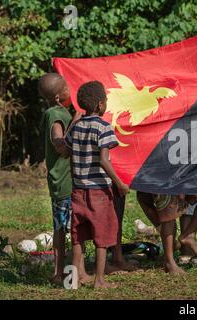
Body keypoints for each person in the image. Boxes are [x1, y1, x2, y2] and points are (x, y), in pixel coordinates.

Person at [65, 81, 129, 288]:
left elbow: (66, 151)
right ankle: (99, 280)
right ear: (101, 104)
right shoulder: (103, 127)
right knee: (102, 235)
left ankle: (71, 280)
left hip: (78, 189)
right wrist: (119, 183)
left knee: (78, 235)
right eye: (107, 101)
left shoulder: (76, 127)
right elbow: (104, 159)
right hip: (99, 191)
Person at [39, 73, 80, 285]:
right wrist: (75, 122)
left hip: (59, 182)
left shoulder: (57, 111)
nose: (70, 90)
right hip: (65, 183)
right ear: (57, 97)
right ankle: (71, 276)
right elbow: (61, 146)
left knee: (60, 228)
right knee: (70, 230)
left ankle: (58, 273)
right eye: (66, 87)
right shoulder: (55, 114)